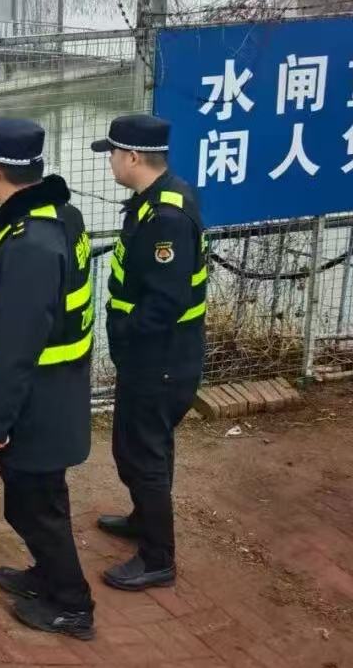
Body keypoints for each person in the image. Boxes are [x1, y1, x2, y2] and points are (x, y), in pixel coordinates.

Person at [0, 117, 96, 641]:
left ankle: (73, 606)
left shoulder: (30, 246)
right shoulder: (59, 216)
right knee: (35, 501)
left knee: (37, 507)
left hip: (35, 405)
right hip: (51, 395)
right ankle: (46, 576)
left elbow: (16, 348)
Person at [90, 114, 207, 591]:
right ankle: (144, 519)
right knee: (137, 447)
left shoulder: (166, 219)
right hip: (150, 357)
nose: (111, 163)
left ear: (133, 157)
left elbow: (165, 301)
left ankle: (158, 558)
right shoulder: (154, 201)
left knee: (145, 455)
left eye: (113, 155)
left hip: (161, 358)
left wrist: (124, 331)